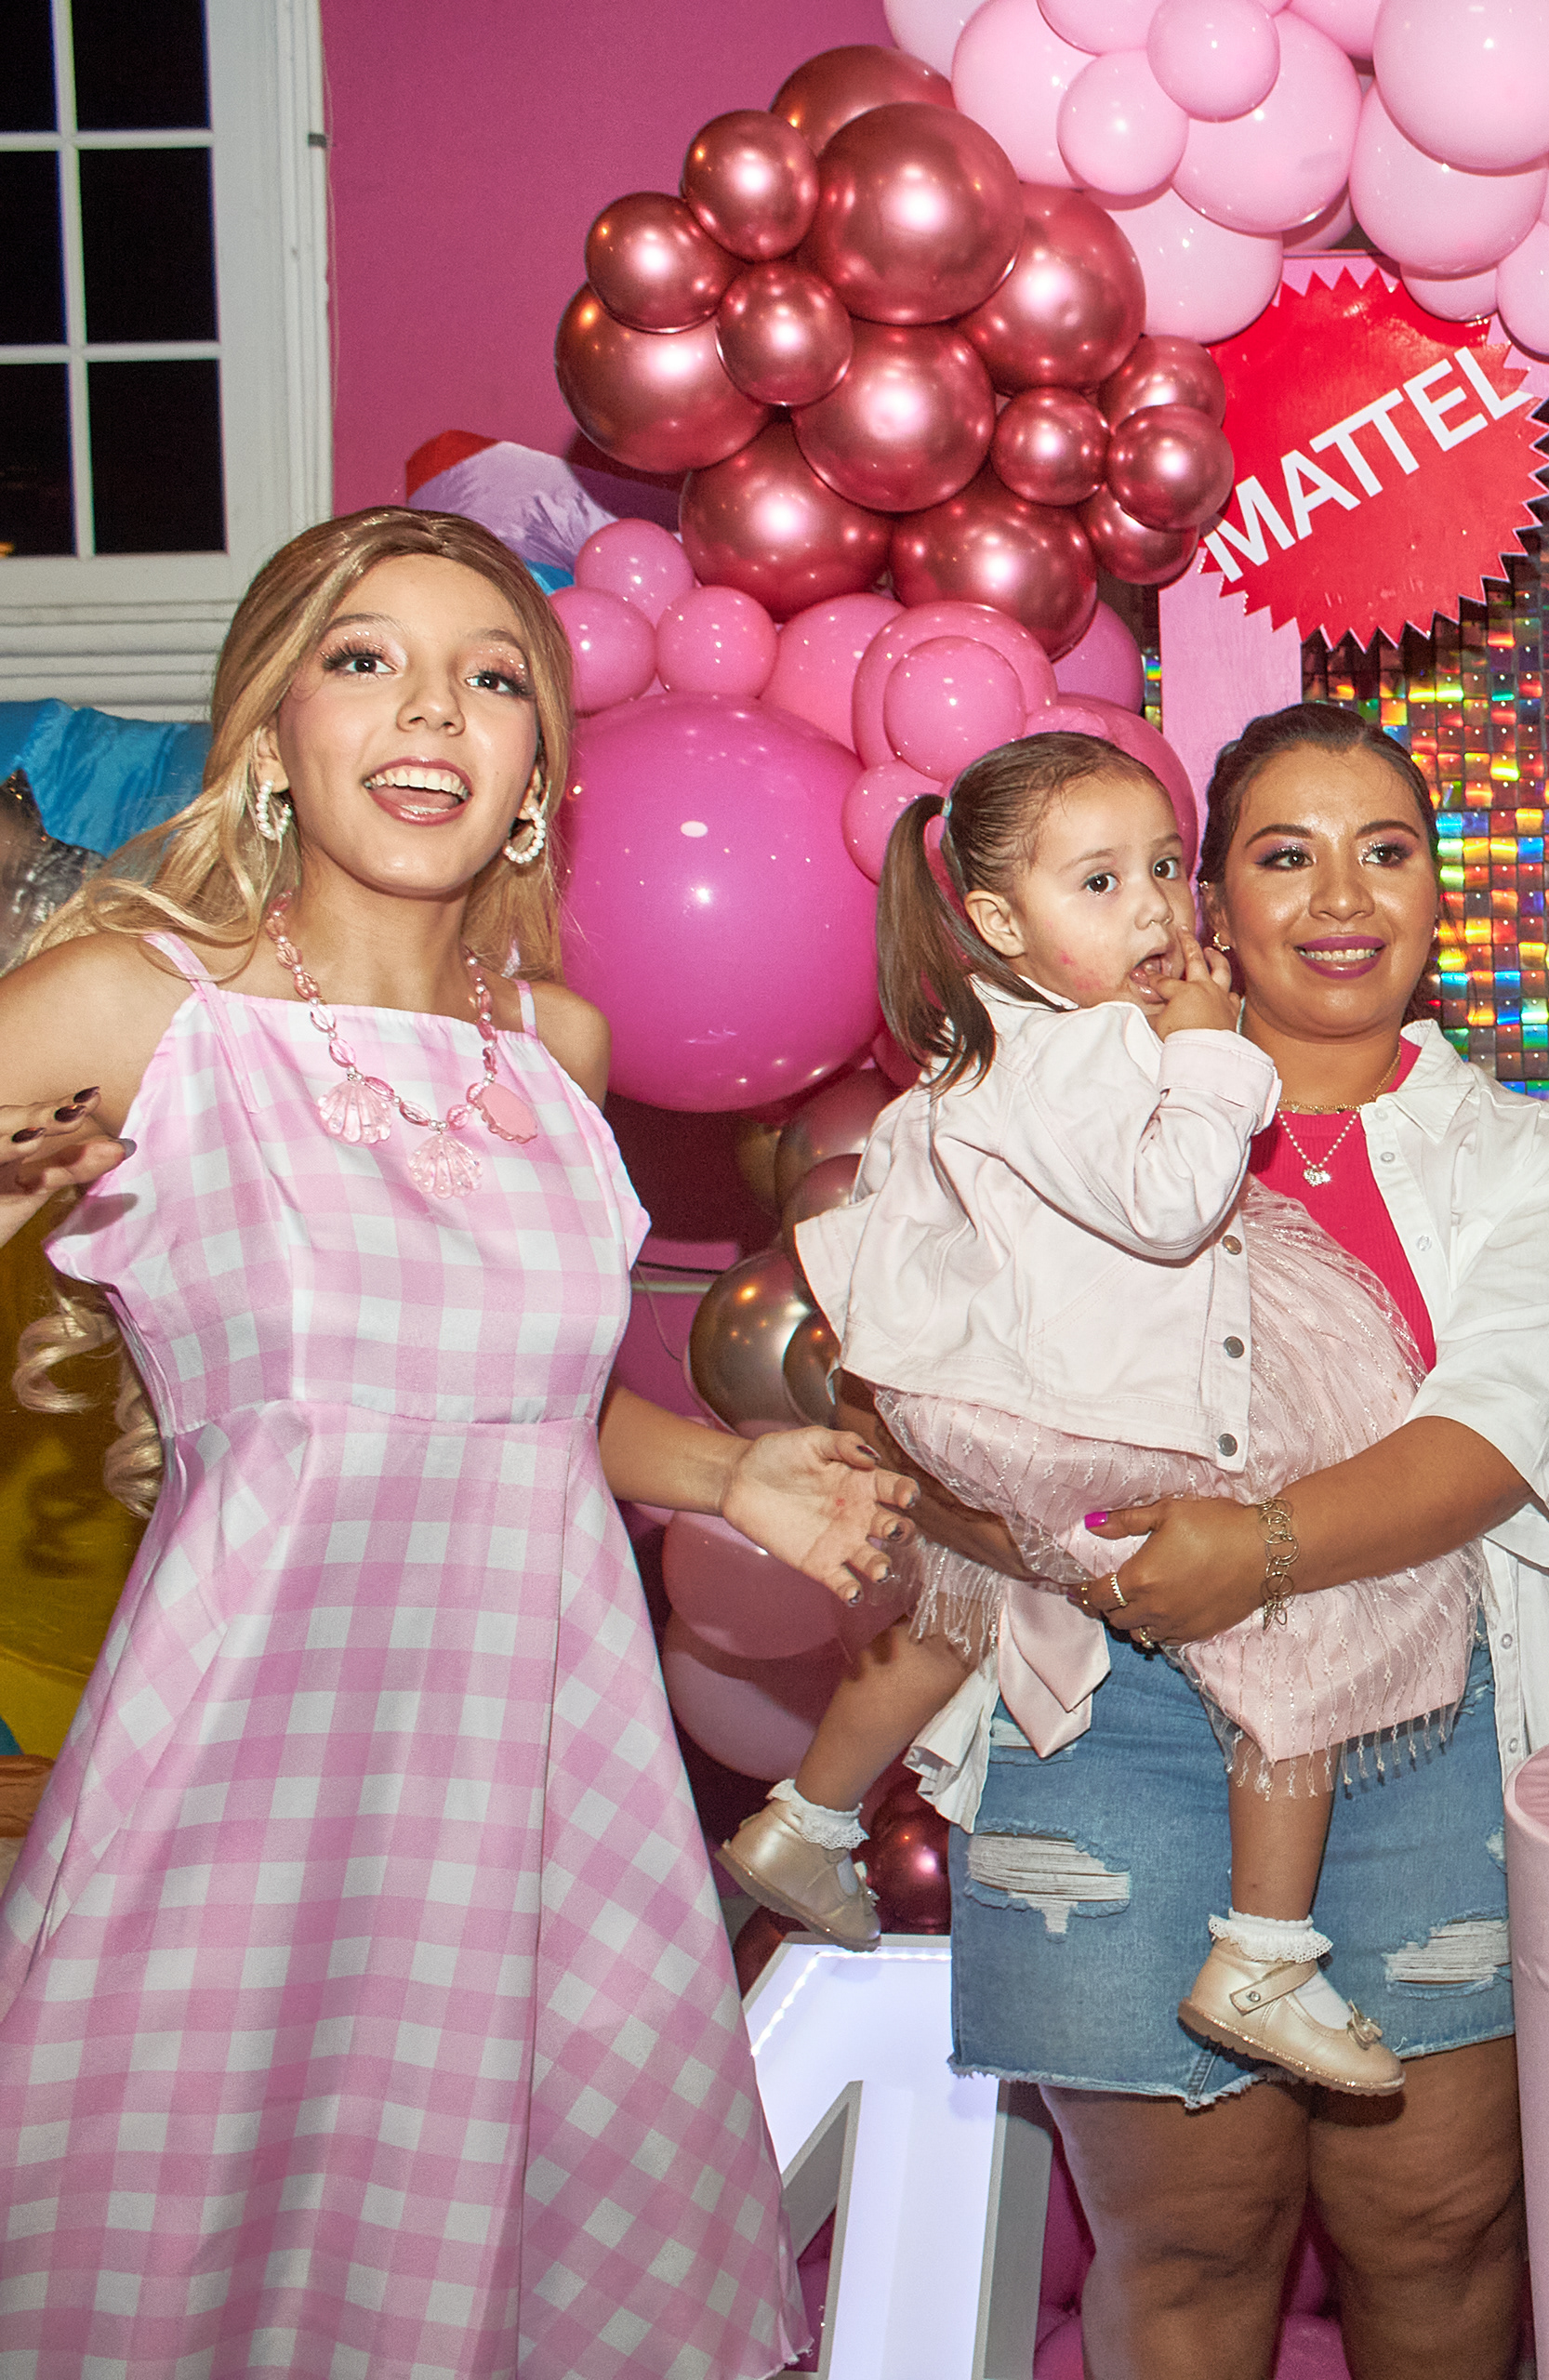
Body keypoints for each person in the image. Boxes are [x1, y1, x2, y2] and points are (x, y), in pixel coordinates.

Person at [0, 508, 914, 2373]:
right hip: (239, 1788)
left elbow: (516, 1403)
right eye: (365, 660)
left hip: (539, 1786)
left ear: (535, 776)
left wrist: (729, 1470)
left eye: (493, 679)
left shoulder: (554, 1052)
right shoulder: (139, 1013)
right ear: (272, 736)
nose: (434, 710)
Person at [894, 702, 1549, 2379]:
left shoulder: (1524, 1161)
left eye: (1387, 851)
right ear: (1207, 897)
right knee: (1191, 2243)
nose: (1341, 897)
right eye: (1285, 856)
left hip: (1426, 1729)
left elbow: (1485, 1444)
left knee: (1437, 2229)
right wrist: (1044, 1531)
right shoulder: (1037, 1114)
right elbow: (903, 1385)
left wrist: (1256, 1550)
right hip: (1107, 1722)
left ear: (1438, 891)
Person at [717, 733, 1476, 2098]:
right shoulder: (1085, 1054)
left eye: (1167, 870)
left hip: (987, 1396)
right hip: (1083, 1405)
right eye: (1101, 883)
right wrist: (1208, 1050)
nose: (1154, 911)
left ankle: (809, 1817)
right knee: (1301, 1623)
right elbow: (1177, 1204)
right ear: (999, 921)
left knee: (960, 1594)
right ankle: (1265, 1952)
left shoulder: (977, 1060)